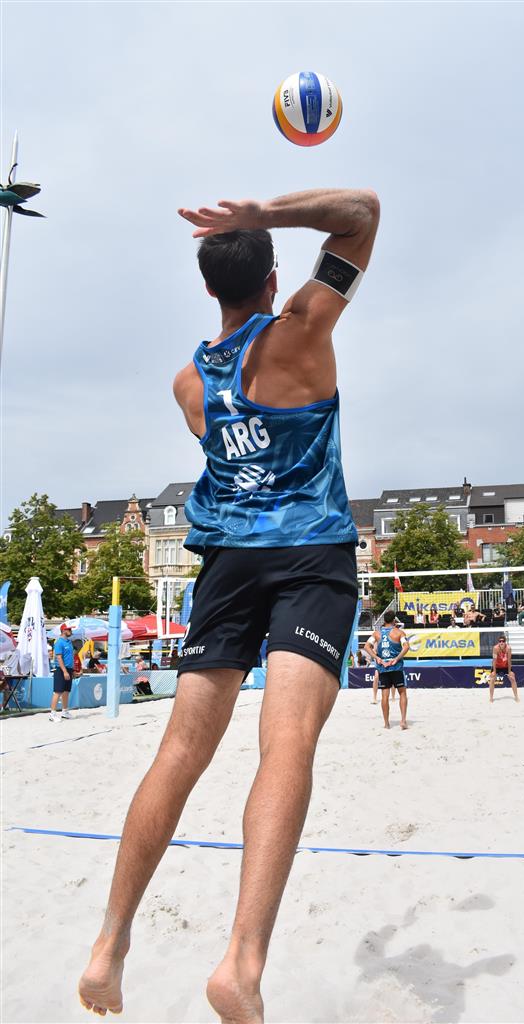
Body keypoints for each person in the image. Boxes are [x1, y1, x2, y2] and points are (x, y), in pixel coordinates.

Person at [78, 186, 380, 1023]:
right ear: (273, 277)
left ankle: (109, 944)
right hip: (309, 553)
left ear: (209, 286)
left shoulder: (189, 385)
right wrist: (264, 214)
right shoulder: (303, 331)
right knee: (284, 746)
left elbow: (233, 441)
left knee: (179, 752)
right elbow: (361, 213)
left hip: (228, 564)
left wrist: (247, 238)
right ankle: (240, 965)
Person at [364, 612, 410, 730]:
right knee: (402, 693)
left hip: (383, 667)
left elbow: (366, 646)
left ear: (384, 620)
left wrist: (377, 658)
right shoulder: (399, 633)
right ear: (394, 620)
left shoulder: (377, 633)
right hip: (396, 666)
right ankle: (403, 721)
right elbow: (406, 647)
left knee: (385, 695)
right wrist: (397, 658)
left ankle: (386, 723)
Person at [50, 623, 74, 722]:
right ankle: (52, 714)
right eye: (69, 630)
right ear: (64, 631)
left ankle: (64, 712)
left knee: (66, 691)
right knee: (58, 691)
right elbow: (59, 658)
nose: (71, 631)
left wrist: (71, 670)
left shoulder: (69, 642)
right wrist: (65, 671)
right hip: (61, 669)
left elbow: (70, 657)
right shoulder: (59, 642)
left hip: (69, 669)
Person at [488, 635, 520, 704]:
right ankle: (491, 698)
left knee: (512, 678)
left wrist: (509, 671)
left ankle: (516, 697)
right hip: (497, 666)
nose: (501, 642)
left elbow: (509, 660)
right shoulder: (495, 648)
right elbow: (494, 660)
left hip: (505, 666)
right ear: (498, 642)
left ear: (505, 642)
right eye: (500, 641)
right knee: (492, 678)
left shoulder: (508, 648)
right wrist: (494, 671)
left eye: (503, 641)